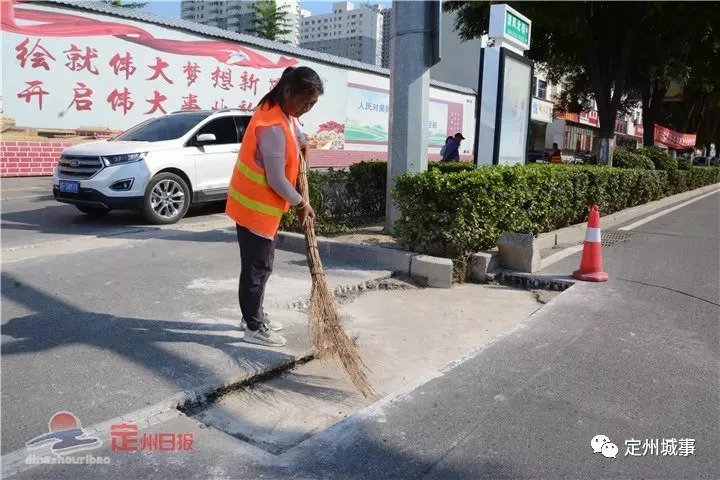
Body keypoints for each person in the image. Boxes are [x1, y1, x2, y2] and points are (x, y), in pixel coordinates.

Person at [225, 66, 324, 347]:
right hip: (255, 208)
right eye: (305, 102)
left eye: (313, 104)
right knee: (259, 267)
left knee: (257, 266)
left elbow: (295, 132)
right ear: (288, 91)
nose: (307, 109)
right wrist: (301, 203)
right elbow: (276, 178)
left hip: (258, 207)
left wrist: (303, 142)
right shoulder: (271, 125)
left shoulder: (280, 111)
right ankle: (254, 326)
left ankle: (251, 314)